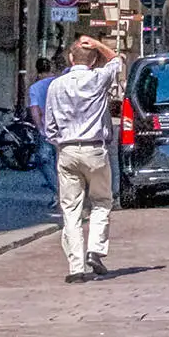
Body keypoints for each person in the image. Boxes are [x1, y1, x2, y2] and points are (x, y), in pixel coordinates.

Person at [42, 35, 125, 283]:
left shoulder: (55, 85)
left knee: (70, 209)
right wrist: (97, 45)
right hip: (95, 149)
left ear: (70, 58)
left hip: (67, 150)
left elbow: (49, 126)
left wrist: (60, 143)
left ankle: (75, 268)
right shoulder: (98, 78)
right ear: (94, 61)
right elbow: (117, 60)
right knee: (101, 201)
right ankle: (95, 250)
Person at [25, 54, 60, 210]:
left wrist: (40, 128)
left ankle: (58, 191)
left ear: (38, 72)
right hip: (64, 128)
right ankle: (66, 192)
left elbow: (34, 110)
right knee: (61, 162)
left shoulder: (35, 88)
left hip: (47, 129)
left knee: (44, 160)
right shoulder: (59, 83)